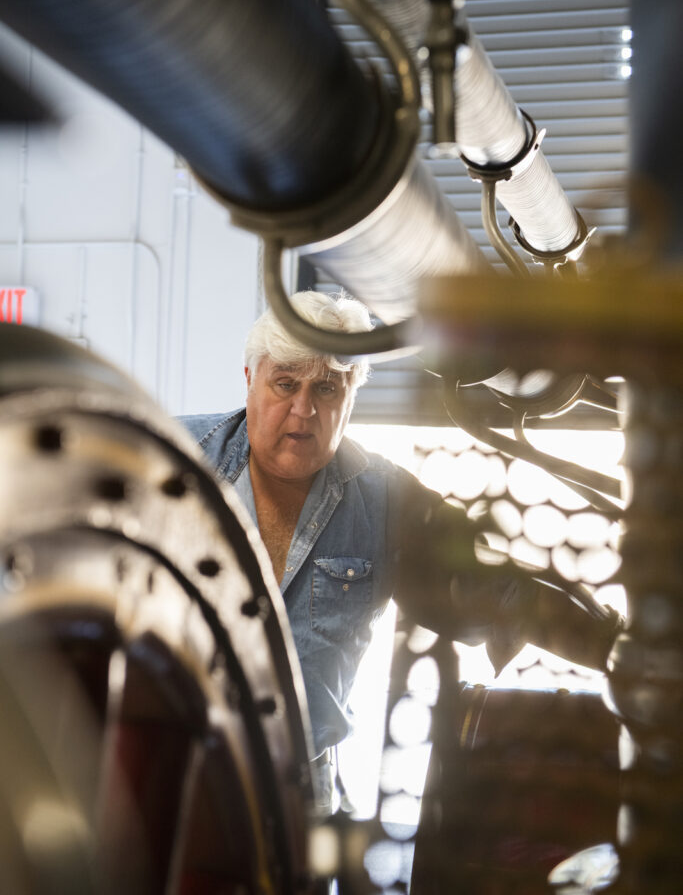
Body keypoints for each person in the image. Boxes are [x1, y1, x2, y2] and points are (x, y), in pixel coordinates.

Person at [180, 289, 622, 811]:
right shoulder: (166, 458)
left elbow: (503, 591)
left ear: (352, 395)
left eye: (326, 387)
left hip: (295, 800)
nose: (304, 409)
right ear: (250, 380)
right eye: (285, 383)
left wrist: (625, 654)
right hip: (165, 774)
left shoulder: (385, 499)